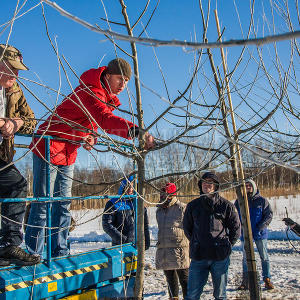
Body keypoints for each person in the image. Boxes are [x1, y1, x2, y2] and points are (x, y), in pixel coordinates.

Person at [25, 58, 155, 258]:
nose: (123, 85)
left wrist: (91, 137)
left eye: (127, 81)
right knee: (43, 204)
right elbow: (103, 119)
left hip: (68, 151)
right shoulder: (90, 92)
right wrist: (136, 132)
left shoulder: (103, 98)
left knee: (63, 204)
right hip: (48, 146)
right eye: (120, 79)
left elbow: (90, 124)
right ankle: (33, 254)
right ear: (108, 76)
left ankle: (59, 252)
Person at [0, 44, 40, 266]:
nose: (15, 75)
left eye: (18, 70)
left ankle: (9, 245)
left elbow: (32, 121)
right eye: (11, 68)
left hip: (2, 156)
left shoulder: (15, 90)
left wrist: (16, 122)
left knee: (17, 185)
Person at [183, 172, 241, 300]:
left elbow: (236, 229)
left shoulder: (226, 206)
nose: (206, 184)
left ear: (216, 186)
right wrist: (197, 241)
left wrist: (226, 245)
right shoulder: (193, 206)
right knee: (192, 295)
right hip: (199, 256)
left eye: (210, 182)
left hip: (220, 256)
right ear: (200, 185)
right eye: (204, 182)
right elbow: (187, 228)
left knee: (220, 294)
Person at [235, 179, 274, 290]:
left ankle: (267, 279)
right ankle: (245, 281)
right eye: (245, 185)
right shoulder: (240, 201)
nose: (248, 187)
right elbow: (235, 216)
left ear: (254, 187)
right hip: (245, 235)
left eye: (250, 185)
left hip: (259, 234)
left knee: (264, 257)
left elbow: (269, 215)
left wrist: (260, 227)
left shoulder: (262, 201)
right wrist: (240, 228)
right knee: (245, 258)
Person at [156, 183, 189, 300]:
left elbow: (190, 228)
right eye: (161, 193)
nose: (162, 196)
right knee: (170, 278)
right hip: (164, 249)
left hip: (179, 249)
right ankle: (173, 297)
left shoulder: (182, 208)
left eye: (165, 193)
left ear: (171, 195)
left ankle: (188, 297)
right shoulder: (159, 210)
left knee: (184, 279)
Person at [102, 176, 150, 249]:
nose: (130, 189)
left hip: (137, 246)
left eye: (133, 187)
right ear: (123, 187)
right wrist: (123, 240)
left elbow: (145, 225)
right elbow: (107, 224)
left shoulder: (139, 204)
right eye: (128, 186)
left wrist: (146, 241)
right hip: (120, 246)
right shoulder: (114, 203)